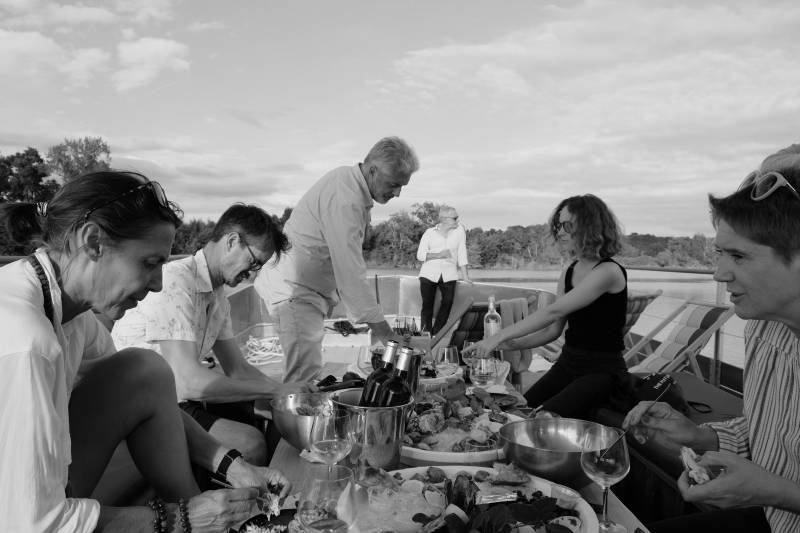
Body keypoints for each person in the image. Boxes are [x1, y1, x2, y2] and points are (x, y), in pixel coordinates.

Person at [0, 171, 290, 533]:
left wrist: (235, 468)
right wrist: (183, 520)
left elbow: (152, 396)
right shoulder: (27, 342)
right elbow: (29, 524)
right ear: (93, 242)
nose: (157, 283)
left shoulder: (73, 316)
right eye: (149, 263)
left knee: (145, 370)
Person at [622, 159, 800, 533]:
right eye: (720, 253)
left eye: (738, 255)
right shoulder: (765, 330)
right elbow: (764, 432)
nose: (719, 274)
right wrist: (698, 436)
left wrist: (778, 492)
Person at [112, 203, 314, 466]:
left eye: (260, 268)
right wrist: (278, 388)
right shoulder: (176, 281)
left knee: (276, 412)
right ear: (231, 242)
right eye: (253, 262)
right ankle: (235, 500)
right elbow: (187, 381)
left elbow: (238, 369)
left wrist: (287, 397)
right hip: (146, 402)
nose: (253, 275)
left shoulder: (217, 297)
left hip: (176, 395)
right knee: (249, 443)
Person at [254, 136, 420, 382]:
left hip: (303, 292)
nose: (397, 193)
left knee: (305, 375)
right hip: (293, 292)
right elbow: (350, 273)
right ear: (373, 170)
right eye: (395, 184)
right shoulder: (346, 199)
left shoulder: (350, 185)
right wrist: (386, 334)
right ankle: (286, 421)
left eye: (402, 186)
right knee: (302, 379)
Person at [463, 194, 628, 418]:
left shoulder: (608, 272)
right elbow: (553, 330)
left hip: (602, 372)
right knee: (519, 410)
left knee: (540, 419)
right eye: (558, 225)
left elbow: (553, 311)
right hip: (568, 364)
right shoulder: (570, 271)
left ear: (590, 227)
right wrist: (510, 345)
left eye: (567, 225)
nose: (560, 231)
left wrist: (497, 337)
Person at [416, 206, 471, 335]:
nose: (458, 220)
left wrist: (465, 276)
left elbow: (462, 254)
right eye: (455, 218)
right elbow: (420, 255)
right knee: (427, 305)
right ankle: (425, 335)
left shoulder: (460, 231)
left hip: (449, 274)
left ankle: (437, 333)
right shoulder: (429, 233)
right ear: (444, 219)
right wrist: (438, 255)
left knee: (448, 302)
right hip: (428, 274)